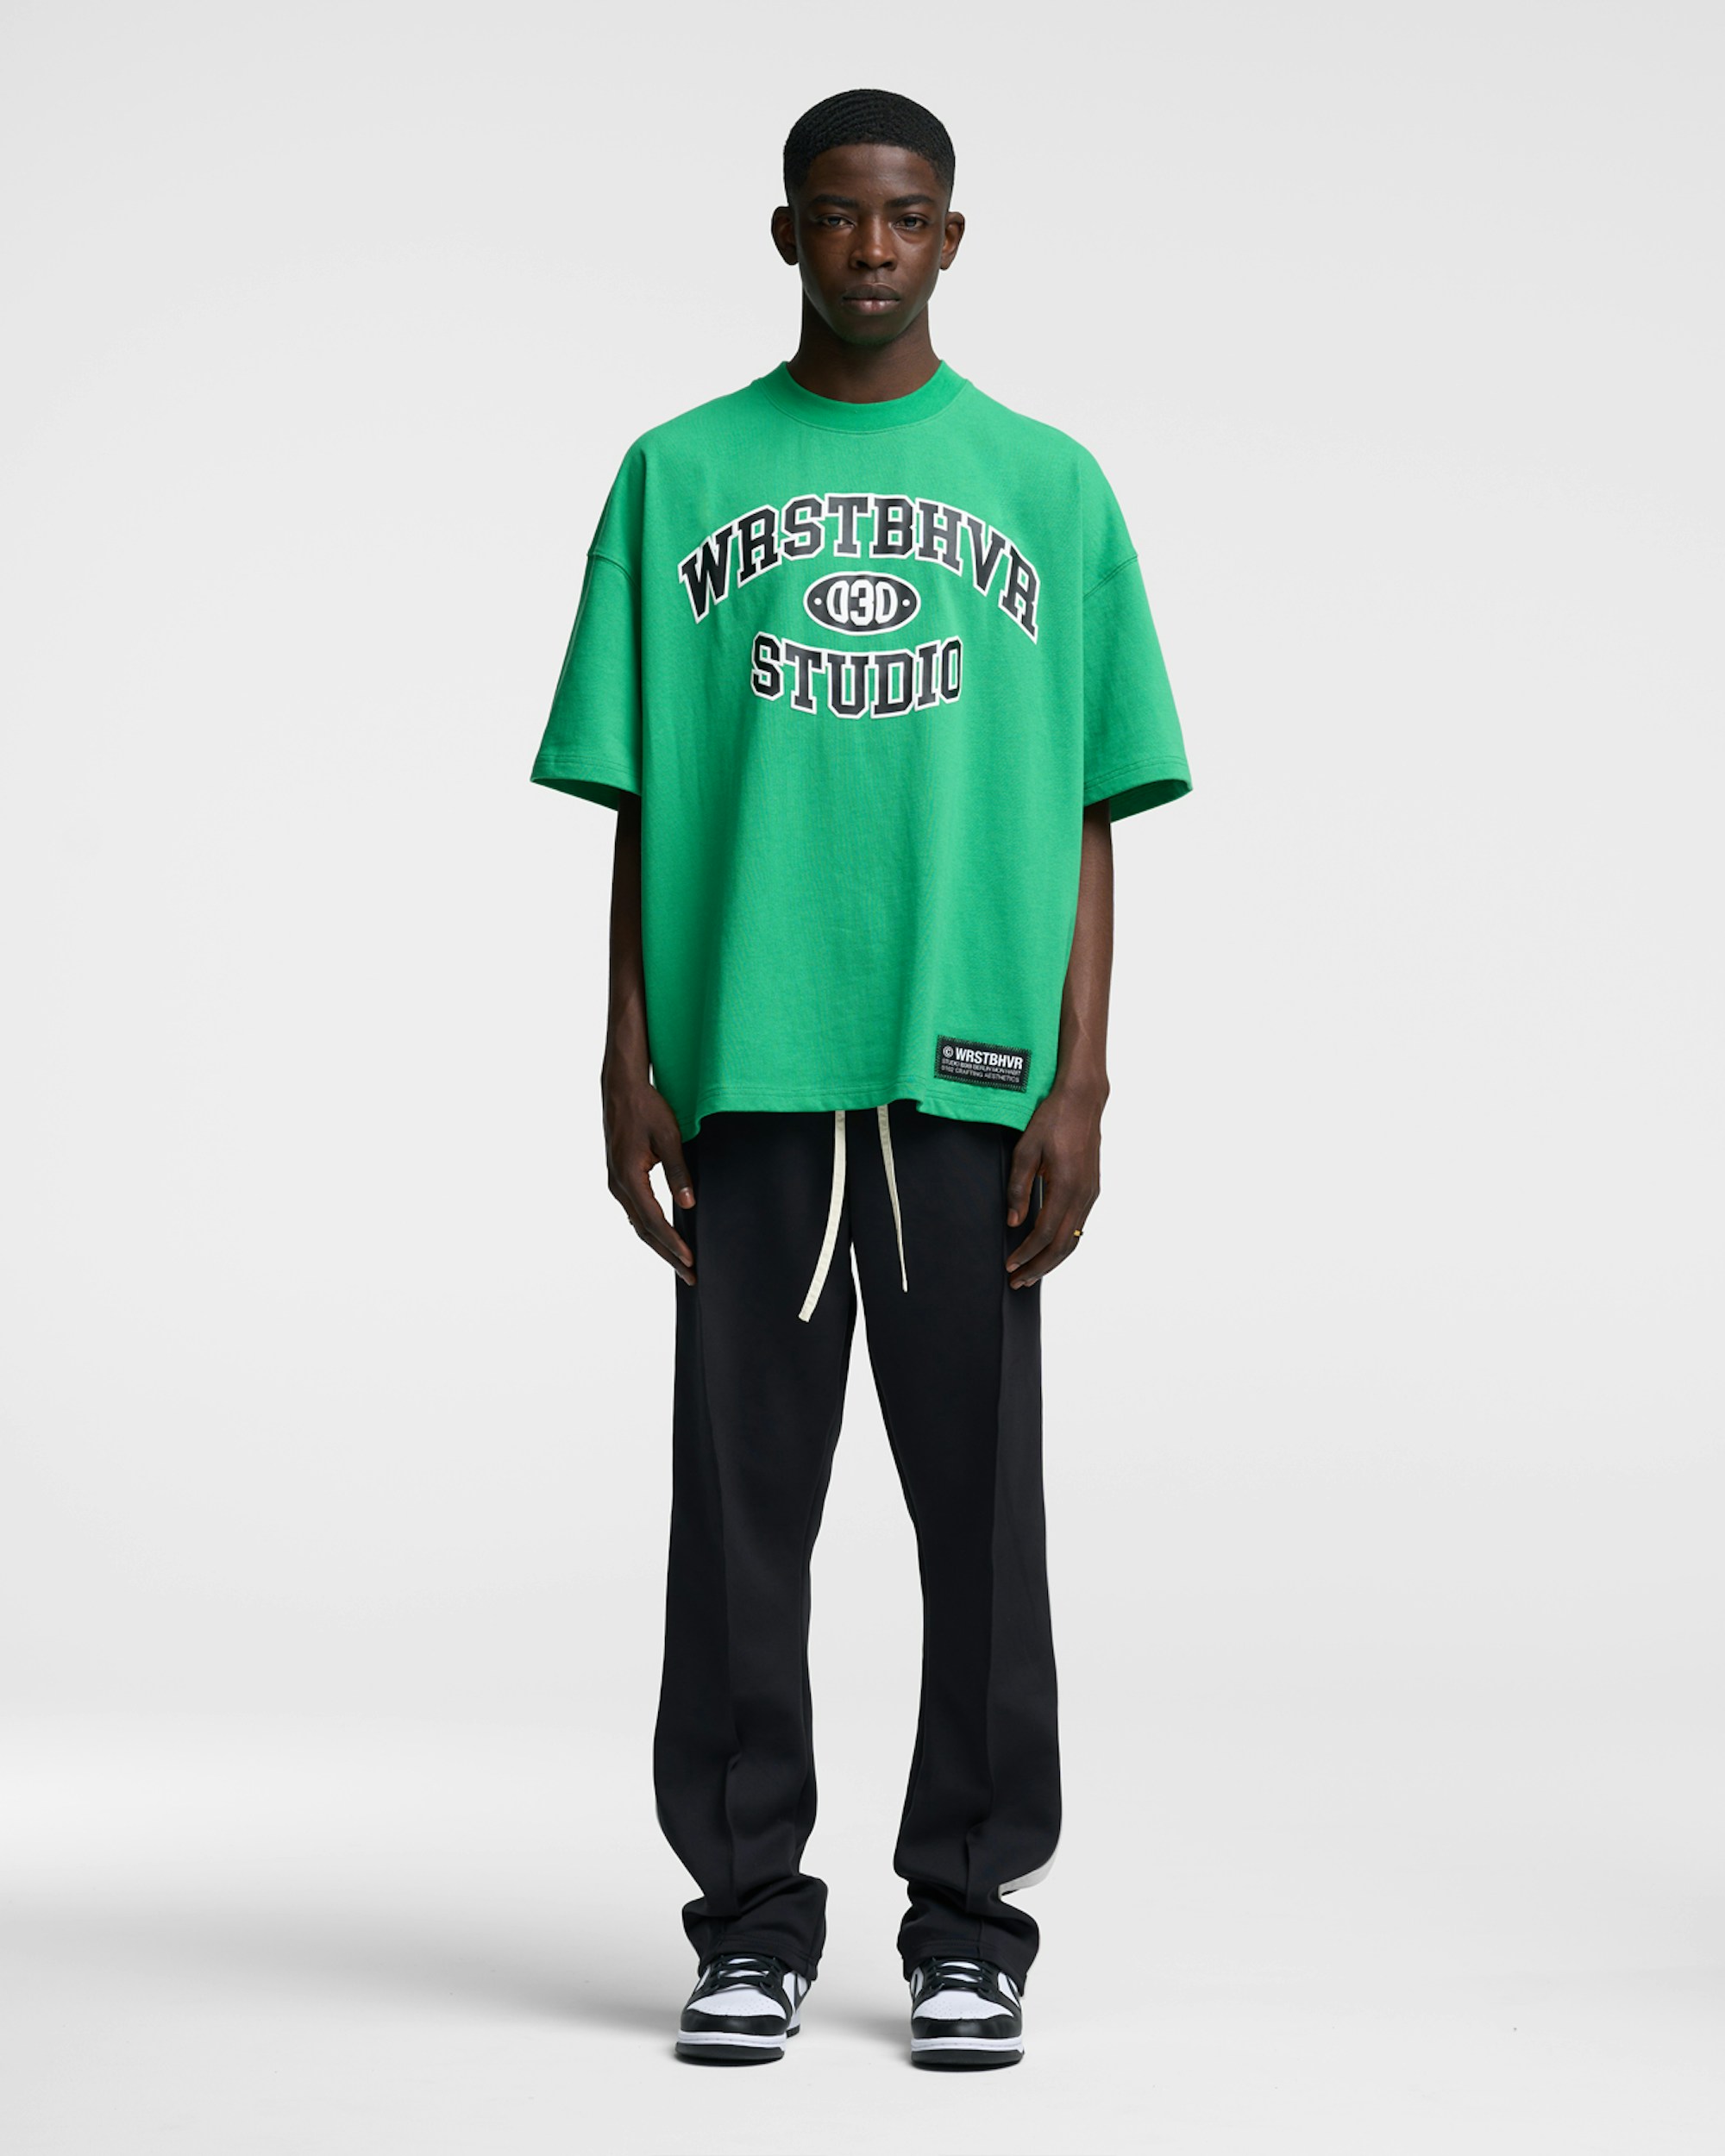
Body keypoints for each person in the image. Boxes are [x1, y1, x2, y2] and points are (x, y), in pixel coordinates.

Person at [530, 86, 1191, 2071]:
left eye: (905, 216)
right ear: (786, 234)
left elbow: (1091, 804)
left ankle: (970, 1920)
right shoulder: (677, 474)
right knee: (740, 1520)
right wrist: (625, 1048)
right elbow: (635, 792)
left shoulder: (1047, 485)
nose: (872, 248)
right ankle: (746, 1918)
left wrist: (1080, 1081)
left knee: (979, 1521)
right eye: (837, 215)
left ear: (952, 236)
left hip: (967, 1077)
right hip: (749, 1071)